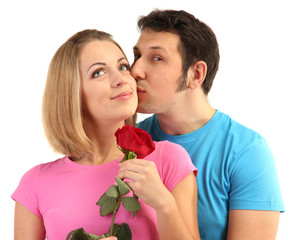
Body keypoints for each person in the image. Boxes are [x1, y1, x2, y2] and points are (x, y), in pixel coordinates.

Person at [11, 29, 200, 240]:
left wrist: (164, 205)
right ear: (71, 94)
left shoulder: (169, 160)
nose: (122, 79)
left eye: (123, 66)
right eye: (98, 72)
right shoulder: (35, 184)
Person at [132, 9, 285, 240]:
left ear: (196, 74)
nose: (135, 71)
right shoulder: (128, 141)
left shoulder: (247, 151)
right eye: (136, 56)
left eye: (157, 58)